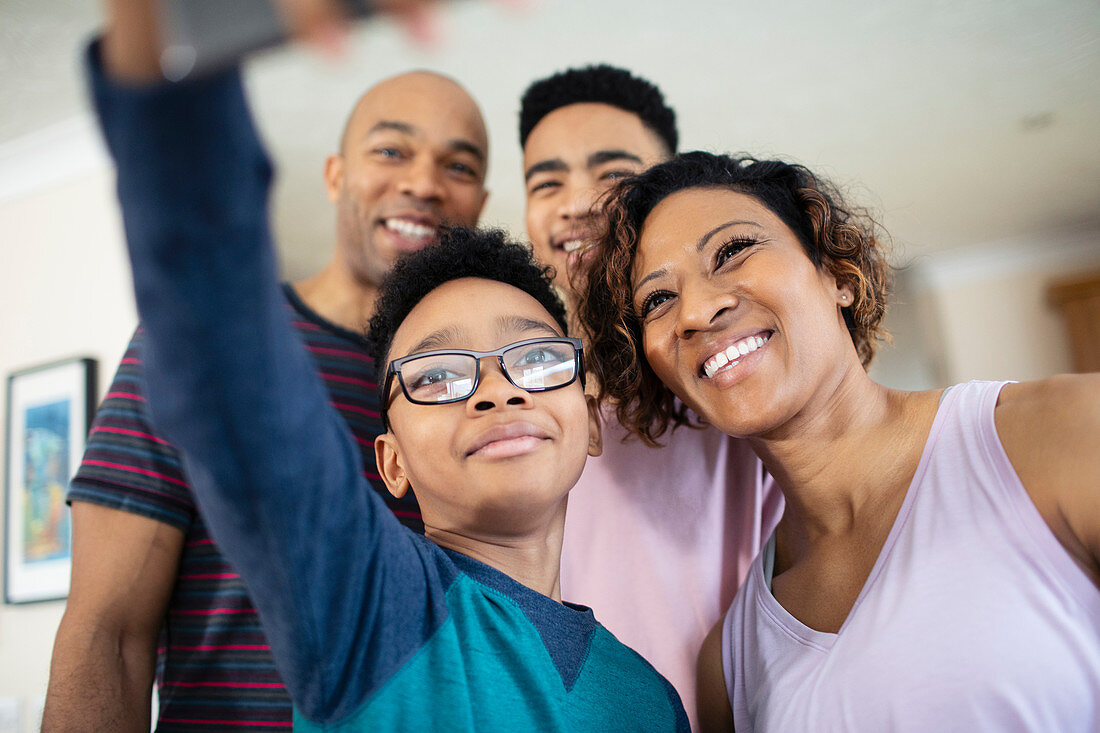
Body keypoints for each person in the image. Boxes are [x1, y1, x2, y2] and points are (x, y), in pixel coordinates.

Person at [79, 10, 691, 728]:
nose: (497, 388)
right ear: (391, 463)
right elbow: (222, 342)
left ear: (590, 417)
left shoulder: (651, 699)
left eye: (533, 357)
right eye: (438, 375)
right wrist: (173, 37)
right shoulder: (371, 608)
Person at [43, 4, 489, 729]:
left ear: (482, 201)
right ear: (337, 174)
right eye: (391, 151)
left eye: (459, 164)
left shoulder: (474, 392)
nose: (426, 183)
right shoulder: (205, 342)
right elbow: (107, 631)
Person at [577, 150, 1100, 732]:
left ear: (836, 275)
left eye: (732, 251)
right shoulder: (728, 666)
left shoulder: (1058, 435)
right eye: (658, 299)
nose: (697, 310)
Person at [520, 65, 782, 726]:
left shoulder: (741, 391)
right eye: (547, 182)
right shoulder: (512, 411)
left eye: (612, 174)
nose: (577, 202)